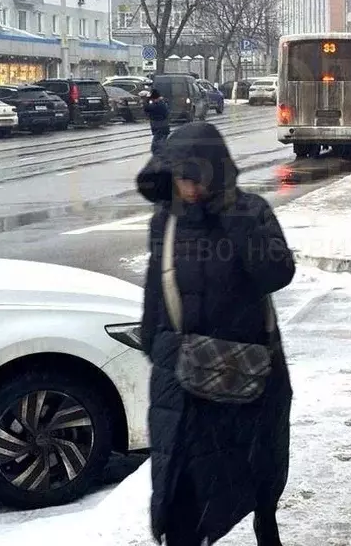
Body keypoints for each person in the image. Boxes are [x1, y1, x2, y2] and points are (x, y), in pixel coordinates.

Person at [136, 121, 295, 546]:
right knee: (181, 494)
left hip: (248, 375)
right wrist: (157, 344)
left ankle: (266, 522)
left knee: (255, 471)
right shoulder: (164, 224)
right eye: (179, 177)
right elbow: (156, 291)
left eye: (194, 176)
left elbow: (277, 272)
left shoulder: (250, 211)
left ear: (215, 171)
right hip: (183, 382)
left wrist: (230, 212)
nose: (187, 186)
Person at [144, 88, 171, 154]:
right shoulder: (162, 103)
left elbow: (147, 108)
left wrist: (147, 100)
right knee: (161, 144)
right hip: (162, 127)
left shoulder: (159, 104)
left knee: (155, 146)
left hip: (160, 127)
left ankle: (161, 156)